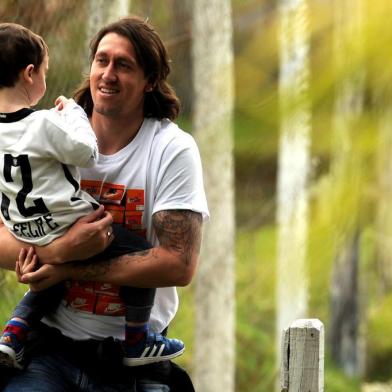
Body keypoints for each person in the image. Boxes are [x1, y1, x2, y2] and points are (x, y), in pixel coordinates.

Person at [0, 15, 208, 392]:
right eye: (102, 60)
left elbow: (178, 264)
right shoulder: (43, 131)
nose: (108, 74)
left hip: (130, 364)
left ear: (150, 81)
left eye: (124, 65)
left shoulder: (171, 149)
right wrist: (59, 249)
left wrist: (64, 268)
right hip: (50, 350)